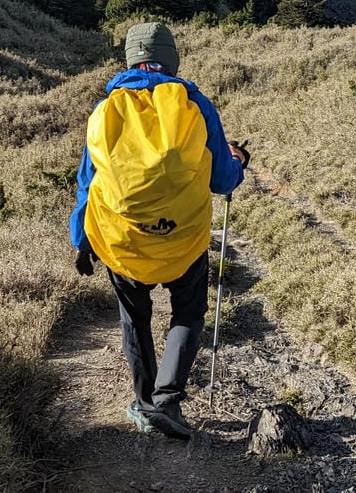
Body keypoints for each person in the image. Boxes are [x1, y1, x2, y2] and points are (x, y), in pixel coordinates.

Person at [70, 22, 248, 440]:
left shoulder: (105, 111)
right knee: (188, 311)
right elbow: (222, 180)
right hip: (184, 241)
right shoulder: (194, 104)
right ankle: (168, 398)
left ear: (131, 60)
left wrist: (82, 242)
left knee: (135, 316)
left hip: (122, 242)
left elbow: (87, 183)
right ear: (172, 59)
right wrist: (239, 162)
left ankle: (145, 403)